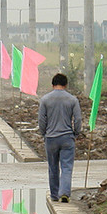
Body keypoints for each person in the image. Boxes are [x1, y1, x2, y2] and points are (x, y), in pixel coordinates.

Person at [38, 73, 82, 203]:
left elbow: (41, 120)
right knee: (66, 167)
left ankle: (54, 195)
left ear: (53, 85)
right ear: (66, 85)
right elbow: (78, 119)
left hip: (51, 138)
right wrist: (76, 133)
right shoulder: (72, 100)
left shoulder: (45, 99)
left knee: (53, 167)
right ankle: (64, 193)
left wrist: (44, 133)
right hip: (67, 137)